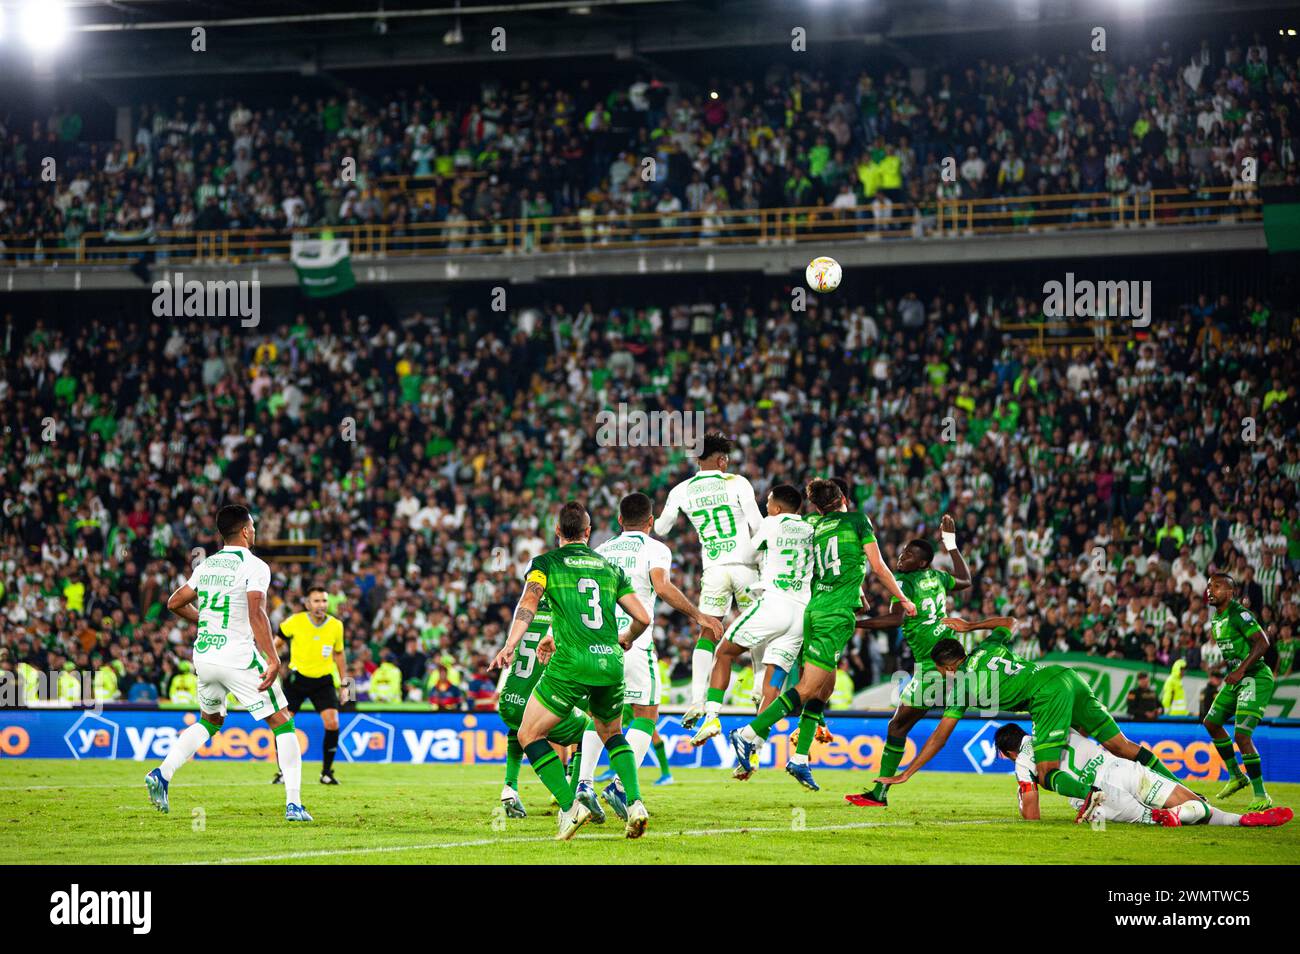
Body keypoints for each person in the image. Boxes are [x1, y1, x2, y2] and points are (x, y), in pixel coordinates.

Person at [878, 619, 1182, 813]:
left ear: (948, 668)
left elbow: (939, 738)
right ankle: (1185, 794)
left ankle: (1095, 797)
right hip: (1067, 676)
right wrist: (970, 627)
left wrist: (908, 772)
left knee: (1045, 772)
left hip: (1047, 695)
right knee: (1122, 746)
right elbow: (1010, 621)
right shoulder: (987, 647)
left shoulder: (961, 688)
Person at [730, 478, 916, 791]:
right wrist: (904, 599)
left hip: (812, 608)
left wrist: (857, 593)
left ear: (816, 505)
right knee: (807, 688)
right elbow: (879, 566)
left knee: (824, 688)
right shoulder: (858, 521)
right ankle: (749, 733)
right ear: (844, 497)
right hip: (833, 614)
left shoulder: (812, 524)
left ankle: (800, 758)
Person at [491, 501, 652, 840]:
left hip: (571, 663)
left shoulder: (545, 564)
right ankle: (636, 804)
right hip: (610, 662)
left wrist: (509, 645)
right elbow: (644, 618)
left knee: (527, 734)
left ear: (557, 532)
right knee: (612, 733)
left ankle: (570, 807)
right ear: (588, 532)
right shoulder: (608, 567)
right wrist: (626, 639)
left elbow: (529, 604)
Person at [145, 504, 311, 822]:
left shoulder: (207, 565)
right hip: (237, 656)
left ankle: (162, 774)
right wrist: (273, 658)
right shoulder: (255, 565)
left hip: (205, 655)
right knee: (283, 722)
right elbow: (256, 613)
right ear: (246, 530)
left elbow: (174, 602)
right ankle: (294, 804)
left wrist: (204, 619)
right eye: (253, 527)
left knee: (210, 721)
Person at [584, 492, 721, 819]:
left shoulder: (601, 550)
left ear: (619, 520)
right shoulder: (656, 548)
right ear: (650, 521)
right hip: (634, 641)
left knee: (600, 717)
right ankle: (619, 786)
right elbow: (661, 587)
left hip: (599, 643)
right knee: (646, 715)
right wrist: (699, 615)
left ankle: (583, 785)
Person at [847, 512, 971, 807]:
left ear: (923, 563)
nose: (902, 558)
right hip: (942, 661)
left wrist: (854, 624)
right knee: (899, 727)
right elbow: (966, 579)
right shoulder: (938, 576)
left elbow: (894, 619)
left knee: (897, 728)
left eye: (910, 556)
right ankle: (879, 793)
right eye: (903, 552)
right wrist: (951, 544)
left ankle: (880, 794)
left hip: (933, 667)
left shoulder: (903, 580)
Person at [654, 432, 763, 729]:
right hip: (745, 567)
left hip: (714, 568)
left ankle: (696, 699)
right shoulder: (737, 482)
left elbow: (662, 529)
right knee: (756, 625)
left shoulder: (681, 490)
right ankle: (758, 688)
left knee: (708, 630)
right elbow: (757, 525)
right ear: (722, 459)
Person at [692, 483, 812, 748]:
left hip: (774, 603)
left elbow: (748, 554)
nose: (766, 507)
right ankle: (754, 745)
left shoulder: (771, 523)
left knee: (723, 652)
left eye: (768, 502)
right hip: (801, 612)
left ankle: (711, 716)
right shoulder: (810, 528)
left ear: (777, 507)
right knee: (773, 681)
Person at [995, 723, 1291, 829]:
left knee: (1148, 819)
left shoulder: (1022, 760)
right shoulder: (1057, 727)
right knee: (1199, 806)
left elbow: (1032, 816)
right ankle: (1240, 820)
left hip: (1099, 799)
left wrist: (1022, 797)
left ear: (1006, 752)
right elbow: (1085, 728)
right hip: (1122, 768)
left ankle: (1167, 817)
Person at [1202, 572, 1276, 811]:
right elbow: (1235, 651)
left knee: (1242, 735)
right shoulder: (1216, 618)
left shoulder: (1238, 613)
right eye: (1209, 586)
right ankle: (1236, 776)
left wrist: (1241, 670)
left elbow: (1262, 642)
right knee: (1211, 722)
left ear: (1230, 592)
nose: (1210, 590)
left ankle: (1261, 794)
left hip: (1255, 676)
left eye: (1217, 586)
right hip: (1237, 678)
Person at [272, 585, 349, 785]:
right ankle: (283, 772)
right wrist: (269, 662)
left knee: (332, 723)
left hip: (323, 681)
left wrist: (347, 685)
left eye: (324, 601)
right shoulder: (294, 621)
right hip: (297, 679)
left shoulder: (336, 625)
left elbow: (339, 655)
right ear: (308, 604)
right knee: (282, 723)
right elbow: (277, 642)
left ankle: (326, 773)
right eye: (316, 601)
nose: (321, 605)